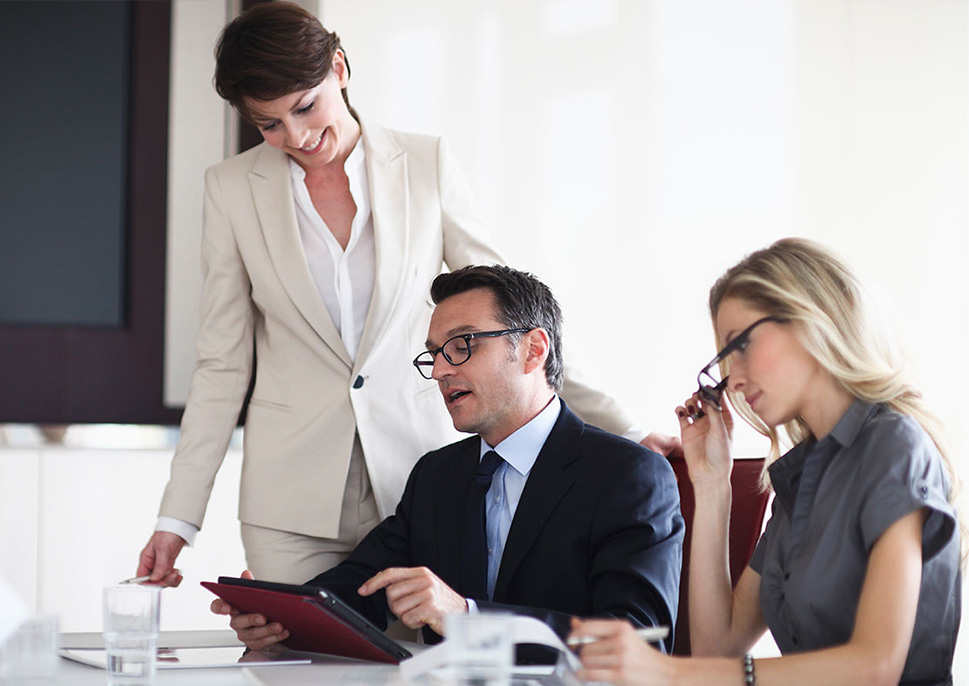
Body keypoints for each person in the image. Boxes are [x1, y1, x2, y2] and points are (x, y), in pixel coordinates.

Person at [136, 3, 678, 587]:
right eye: (269, 125)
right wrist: (178, 517)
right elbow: (222, 362)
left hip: (415, 476)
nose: (295, 136)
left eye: (305, 106)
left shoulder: (425, 164)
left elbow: (512, 315)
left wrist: (622, 429)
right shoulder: (231, 189)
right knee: (295, 664)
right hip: (289, 500)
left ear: (339, 69)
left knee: (416, 664)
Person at [212, 265, 684, 651]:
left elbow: (637, 641)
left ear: (533, 349)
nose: (439, 371)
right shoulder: (437, 474)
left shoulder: (629, 476)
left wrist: (466, 616)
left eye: (462, 346)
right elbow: (363, 586)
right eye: (435, 354)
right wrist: (281, 614)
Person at [570, 238, 961, 686]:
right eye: (724, 358)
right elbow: (719, 647)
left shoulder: (893, 446)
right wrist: (713, 484)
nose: (732, 380)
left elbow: (875, 666)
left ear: (811, 319)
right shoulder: (802, 477)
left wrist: (666, 671)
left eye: (741, 345)